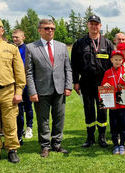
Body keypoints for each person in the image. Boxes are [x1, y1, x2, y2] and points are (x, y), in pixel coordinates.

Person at [25, 19, 72, 157]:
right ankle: (45, 146)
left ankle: (57, 144)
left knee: (59, 118)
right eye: (47, 28)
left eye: (52, 28)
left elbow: (68, 68)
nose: (50, 31)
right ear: (39, 30)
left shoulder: (62, 46)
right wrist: (32, 91)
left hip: (60, 89)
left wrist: (68, 86)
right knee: (43, 120)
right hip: (41, 90)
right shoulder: (31, 47)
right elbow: (29, 72)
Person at [71, 15, 114, 148]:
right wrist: (75, 82)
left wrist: (112, 81)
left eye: (97, 24)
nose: (94, 26)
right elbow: (74, 64)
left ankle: (102, 138)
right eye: (92, 24)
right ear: (87, 25)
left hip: (104, 84)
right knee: (89, 110)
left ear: (100, 26)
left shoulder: (107, 43)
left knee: (102, 111)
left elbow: (115, 63)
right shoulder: (79, 43)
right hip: (86, 83)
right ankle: (90, 138)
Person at [0, 19, 26, 163]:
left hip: (7, 90)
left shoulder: (11, 48)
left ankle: (12, 149)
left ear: (2, 30)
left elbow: (20, 73)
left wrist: (19, 92)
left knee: (10, 122)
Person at [101, 50, 125, 155]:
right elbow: (103, 87)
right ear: (111, 60)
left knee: (124, 125)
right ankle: (116, 144)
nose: (117, 61)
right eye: (115, 59)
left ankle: (123, 145)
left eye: (119, 60)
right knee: (114, 126)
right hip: (112, 106)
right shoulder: (107, 72)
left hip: (124, 105)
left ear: (122, 61)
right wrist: (105, 85)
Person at [12, 29, 34, 145]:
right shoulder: (11, 49)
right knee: (18, 109)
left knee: (28, 106)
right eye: (13, 37)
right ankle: (18, 133)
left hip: (26, 83)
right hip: (15, 84)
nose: (15, 39)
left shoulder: (28, 49)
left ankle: (29, 127)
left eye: (17, 37)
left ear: (23, 37)